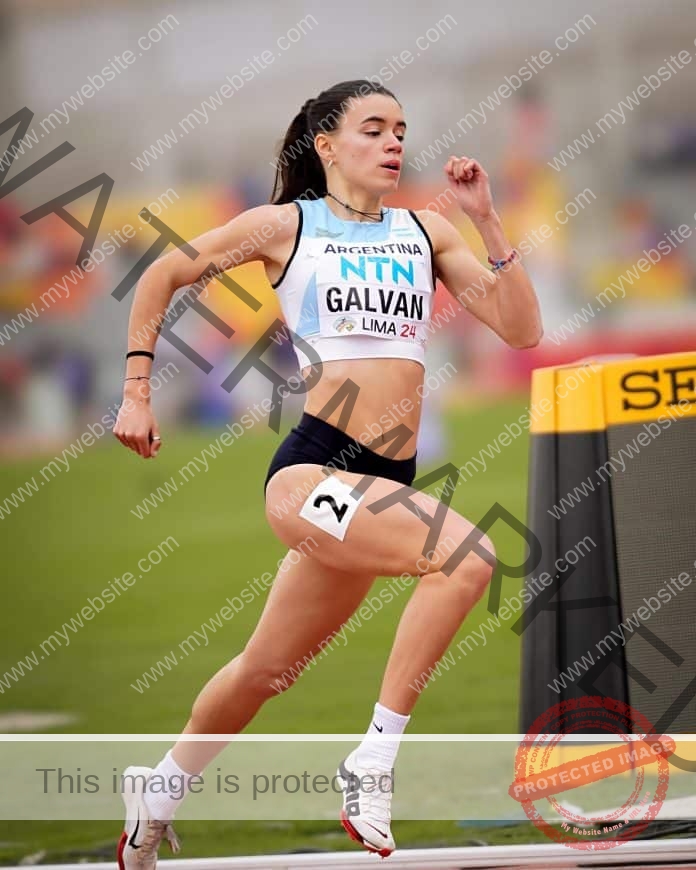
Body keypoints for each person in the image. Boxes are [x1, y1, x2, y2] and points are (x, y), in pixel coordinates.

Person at [113, 78, 542, 867]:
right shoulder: (285, 225)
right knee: (469, 559)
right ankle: (371, 762)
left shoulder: (427, 231)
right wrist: (136, 390)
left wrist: (484, 220)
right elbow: (161, 277)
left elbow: (523, 329)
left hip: (383, 485)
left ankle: (159, 792)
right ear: (326, 144)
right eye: (373, 128)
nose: (393, 142)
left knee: (266, 670)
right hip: (312, 475)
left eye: (401, 130)